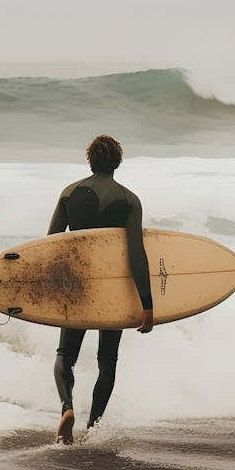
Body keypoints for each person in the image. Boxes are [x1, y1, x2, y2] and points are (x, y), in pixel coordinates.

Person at [47, 135, 153, 444]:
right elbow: (136, 254)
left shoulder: (69, 194)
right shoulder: (129, 199)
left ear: (90, 160)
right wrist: (146, 303)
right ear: (117, 162)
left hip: (76, 287)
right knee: (107, 360)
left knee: (65, 356)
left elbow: (49, 247)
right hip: (112, 290)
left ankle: (67, 407)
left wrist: (52, 293)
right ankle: (93, 429)